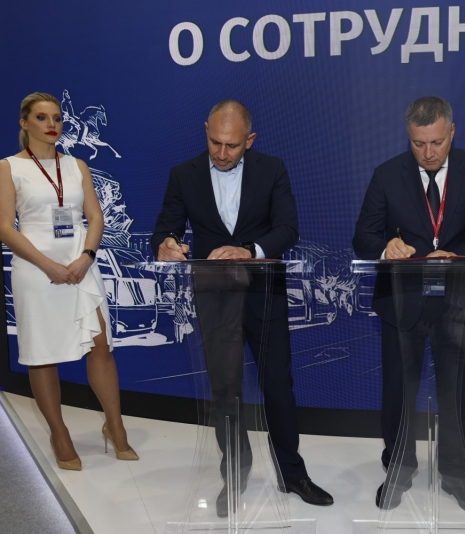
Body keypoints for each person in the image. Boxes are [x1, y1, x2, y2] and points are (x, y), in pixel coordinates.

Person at [151, 100, 333, 515]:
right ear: (206, 130)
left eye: (231, 145)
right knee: (225, 389)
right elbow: (166, 227)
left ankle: (292, 474)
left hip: (264, 292)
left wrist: (249, 249)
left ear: (249, 140)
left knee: (278, 386)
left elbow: (287, 228)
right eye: (215, 142)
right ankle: (234, 472)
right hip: (214, 295)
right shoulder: (183, 174)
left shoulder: (273, 170)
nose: (221, 153)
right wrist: (166, 244)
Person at [353, 96, 465, 513]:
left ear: (451, 132)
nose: (428, 153)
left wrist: (458, 254)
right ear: (408, 137)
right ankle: (399, 467)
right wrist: (386, 247)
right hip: (401, 301)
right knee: (398, 392)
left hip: (458, 300)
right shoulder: (387, 175)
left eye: (437, 142)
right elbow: (363, 236)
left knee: (455, 392)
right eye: (418, 144)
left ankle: (456, 473)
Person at [0, 92, 138, 471]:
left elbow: (95, 217)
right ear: (24, 123)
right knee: (43, 355)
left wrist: (87, 257)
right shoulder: (8, 167)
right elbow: (4, 228)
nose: (52, 124)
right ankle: (59, 433)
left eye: (56, 117)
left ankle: (115, 427)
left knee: (100, 345)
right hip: (35, 268)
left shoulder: (77, 165)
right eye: (41, 117)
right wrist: (48, 266)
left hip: (81, 263)